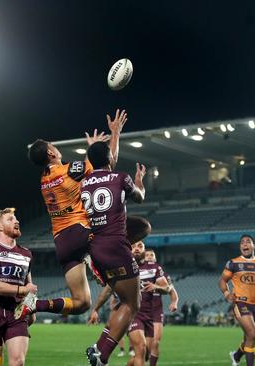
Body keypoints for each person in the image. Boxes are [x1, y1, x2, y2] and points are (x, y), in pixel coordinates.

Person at [19, 110, 129, 319]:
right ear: (51, 154)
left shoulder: (44, 179)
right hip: (81, 231)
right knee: (123, 227)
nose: (56, 148)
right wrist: (114, 134)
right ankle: (96, 261)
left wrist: (90, 152)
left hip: (62, 243)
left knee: (81, 303)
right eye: (53, 146)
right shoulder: (68, 170)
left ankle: (34, 305)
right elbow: (108, 164)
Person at [80, 141, 147, 366]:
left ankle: (101, 350)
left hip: (95, 249)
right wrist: (139, 181)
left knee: (123, 301)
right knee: (132, 303)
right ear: (110, 159)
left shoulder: (83, 182)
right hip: (116, 246)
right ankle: (101, 352)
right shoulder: (121, 177)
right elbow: (140, 197)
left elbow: (105, 169)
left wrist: (115, 134)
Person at [0, 208, 36, 366]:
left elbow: (29, 285)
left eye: (16, 218)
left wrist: (31, 309)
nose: (16, 221)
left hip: (16, 314)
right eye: (10, 219)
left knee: (18, 362)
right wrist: (22, 290)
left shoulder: (26, 254)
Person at [219, 235, 255, 366]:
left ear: (253, 246)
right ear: (240, 247)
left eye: (248, 242)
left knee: (249, 338)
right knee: (252, 334)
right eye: (242, 243)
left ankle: (236, 356)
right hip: (241, 302)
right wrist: (226, 293)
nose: (244, 244)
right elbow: (222, 280)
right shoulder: (233, 263)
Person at [126, 241, 170, 366]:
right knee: (140, 347)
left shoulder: (154, 268)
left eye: (140, 246)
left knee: (144, 355)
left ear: (144, 250)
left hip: (150, 316)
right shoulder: (125, 266)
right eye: (133, 246)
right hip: (133, 314)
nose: (136, 249)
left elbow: (167, 289)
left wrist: (155, 286)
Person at [144, 250, 178, 366]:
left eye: (151, 255)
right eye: (147, 255)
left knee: (156, 342)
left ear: (155, 258)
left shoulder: (162, 274)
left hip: (156, 311)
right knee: (144, 347)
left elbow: (172, 291)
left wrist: (174, 302)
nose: (149, 257)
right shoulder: (138, 270)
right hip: (142, 311)